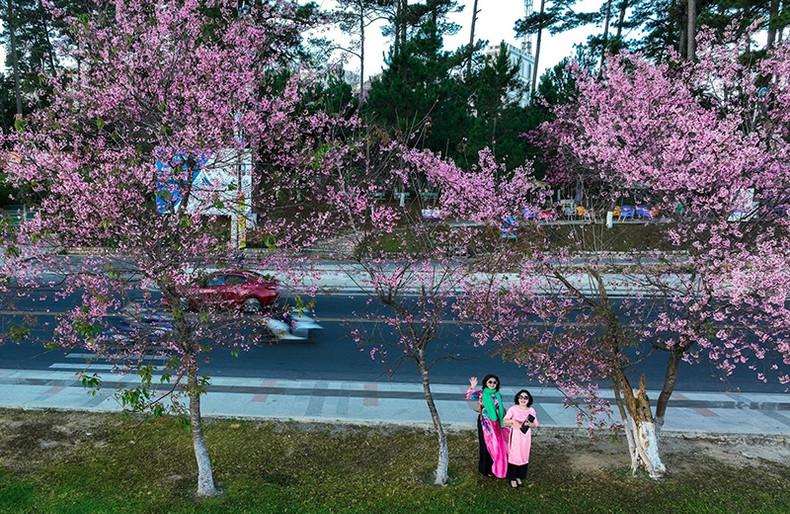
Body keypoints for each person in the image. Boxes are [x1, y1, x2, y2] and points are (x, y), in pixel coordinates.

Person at [466, 375, 510, 478]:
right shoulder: (482, 393)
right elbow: (469, 397)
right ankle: (485, 469)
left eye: (494, 382)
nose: (492, 384)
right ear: (486, 383)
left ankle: (495, 467)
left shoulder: (498, 395)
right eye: (490, 382)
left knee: (497, 445)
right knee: (486, 445)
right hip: (485, 423)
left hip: (496, 422)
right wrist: (472, 387)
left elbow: (500, 408)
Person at [503, 389, 538, 489]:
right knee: (514, 455)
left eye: (525, 397)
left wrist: (530, 424)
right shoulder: (513, 409)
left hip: (526, 436)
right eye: (521, 397)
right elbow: (504, 421)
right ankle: (512, 478)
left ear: (529, 400)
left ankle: (519, 476)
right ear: (517, 398)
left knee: (523, 454)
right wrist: (513, 421)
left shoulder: (531, 410)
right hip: (516, 436)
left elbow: (535, 424)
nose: (523, 399)